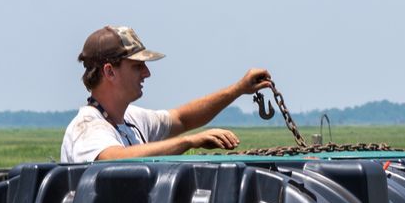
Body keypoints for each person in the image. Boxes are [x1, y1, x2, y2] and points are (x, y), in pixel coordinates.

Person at [60, 25, 272, 163]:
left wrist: (239, 89)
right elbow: (113, 158)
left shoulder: (133, 119)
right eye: (137, 66)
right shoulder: (87, 127)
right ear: (109, 71)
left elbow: (182, 118)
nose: (147, 73)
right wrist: (189, 142)